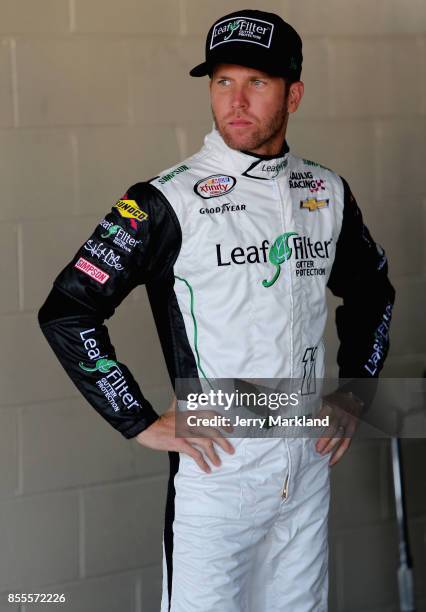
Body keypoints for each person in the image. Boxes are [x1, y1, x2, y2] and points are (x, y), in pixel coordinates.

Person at [38, 9, 395, 612]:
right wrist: (137, 419)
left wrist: (354, 393)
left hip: (306, 468)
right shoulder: (164, 200)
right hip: (217, 474)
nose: (236, 100)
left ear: (294, 94)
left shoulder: (327, 192)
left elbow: (373, 291)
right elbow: (68, 310)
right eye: (222, 81)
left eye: (256, 82)